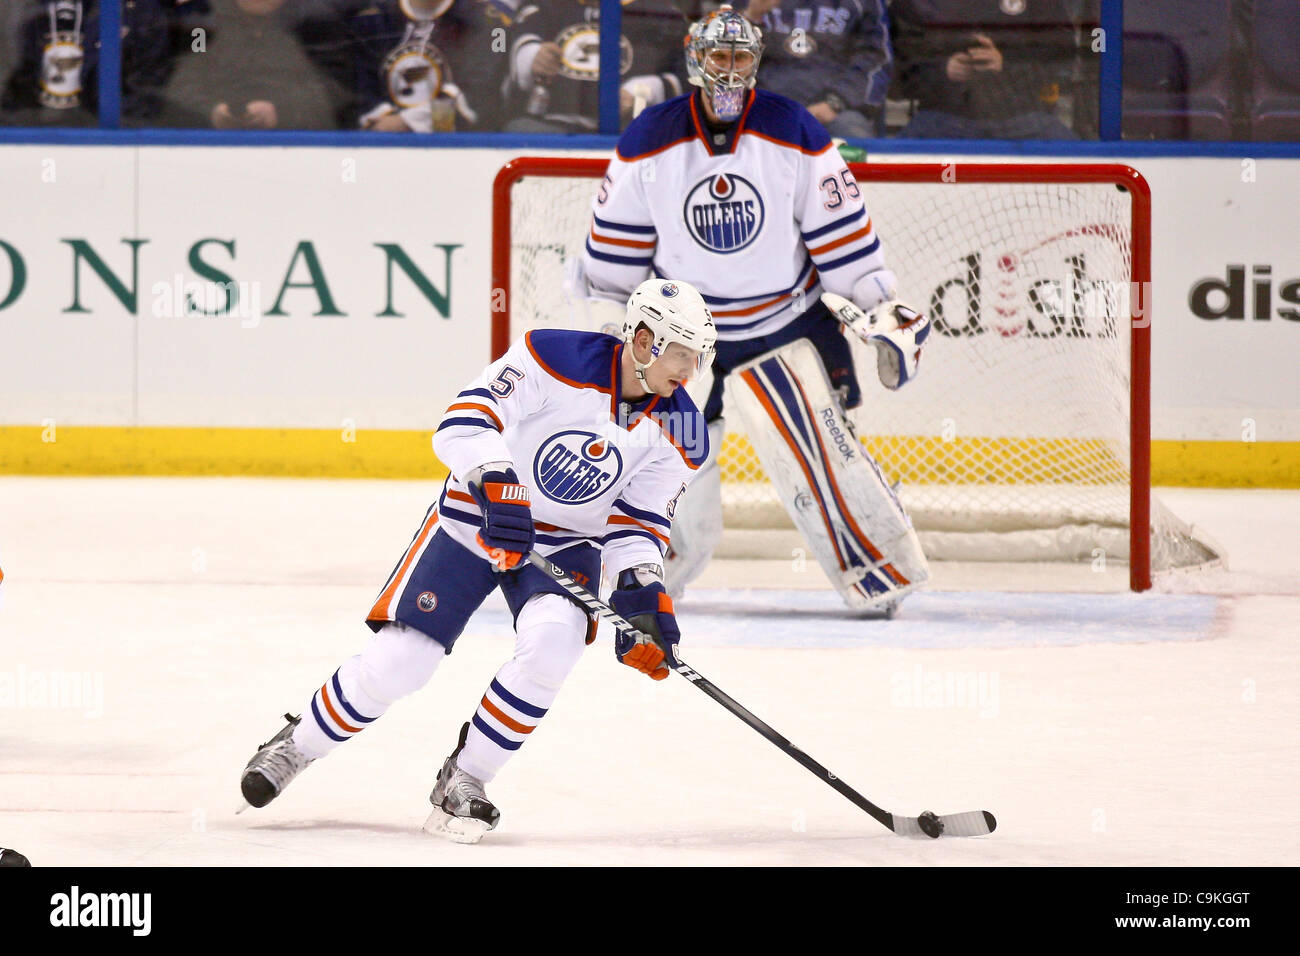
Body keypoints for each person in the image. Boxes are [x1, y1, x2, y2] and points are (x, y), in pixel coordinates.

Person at [239, 278, 716, 843]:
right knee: (402, 662)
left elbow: (637, 525)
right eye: (680, 355)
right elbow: (464, 418)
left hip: (566, 544)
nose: (688, 373)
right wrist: (496, 481)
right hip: (478, 518)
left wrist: (642, 591)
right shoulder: (554, 355)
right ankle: (298, 745)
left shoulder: (683, 428)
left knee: (554, 644)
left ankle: (465, 779)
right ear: (642, 340)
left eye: (699, 358)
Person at [576, 4, 931, 610]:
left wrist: (879, 304)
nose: (730, 70)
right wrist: (611, 324)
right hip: (686, 334)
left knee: (828, 454)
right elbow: (614, 261)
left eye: (742, 57)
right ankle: (650, 575)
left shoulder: (793, 128)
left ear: (758, 62)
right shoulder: (648, 140)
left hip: (788, 323)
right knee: (672, 467)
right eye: (720, 56)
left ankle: (876, 572)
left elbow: (840, 235)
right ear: (695, 57)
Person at [889, 0, 1086, 140]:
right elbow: (897, 67)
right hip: (941, 119)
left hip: (1024, 120)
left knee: (1075, 157)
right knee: (899, 153)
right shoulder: (918, 3)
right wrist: (943, 71)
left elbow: (1061, 57)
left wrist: (1006, 64)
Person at [502, 0, 689, 134]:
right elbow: (507, 46)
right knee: (520, 129)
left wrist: (643, 93)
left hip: (631, 131)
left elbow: (688, 79)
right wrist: (531, 56)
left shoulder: (660, 14)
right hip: (552, 125)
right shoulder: (545, 7)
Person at [158, 0, 341, 130]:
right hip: (213, 144)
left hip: (300, 144)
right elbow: (182, 84)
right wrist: (210, 111)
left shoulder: (314, 24)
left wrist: (283, 112)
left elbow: (334, 88)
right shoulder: (201, 26)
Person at [739, 0, 891, 140]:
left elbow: (876, 60)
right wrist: (751, 18)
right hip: (765, 106)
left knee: (852, 133)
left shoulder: (863, 3)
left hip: (835, 111)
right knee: (729, 129)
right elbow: (722, 55)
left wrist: (834, 103)